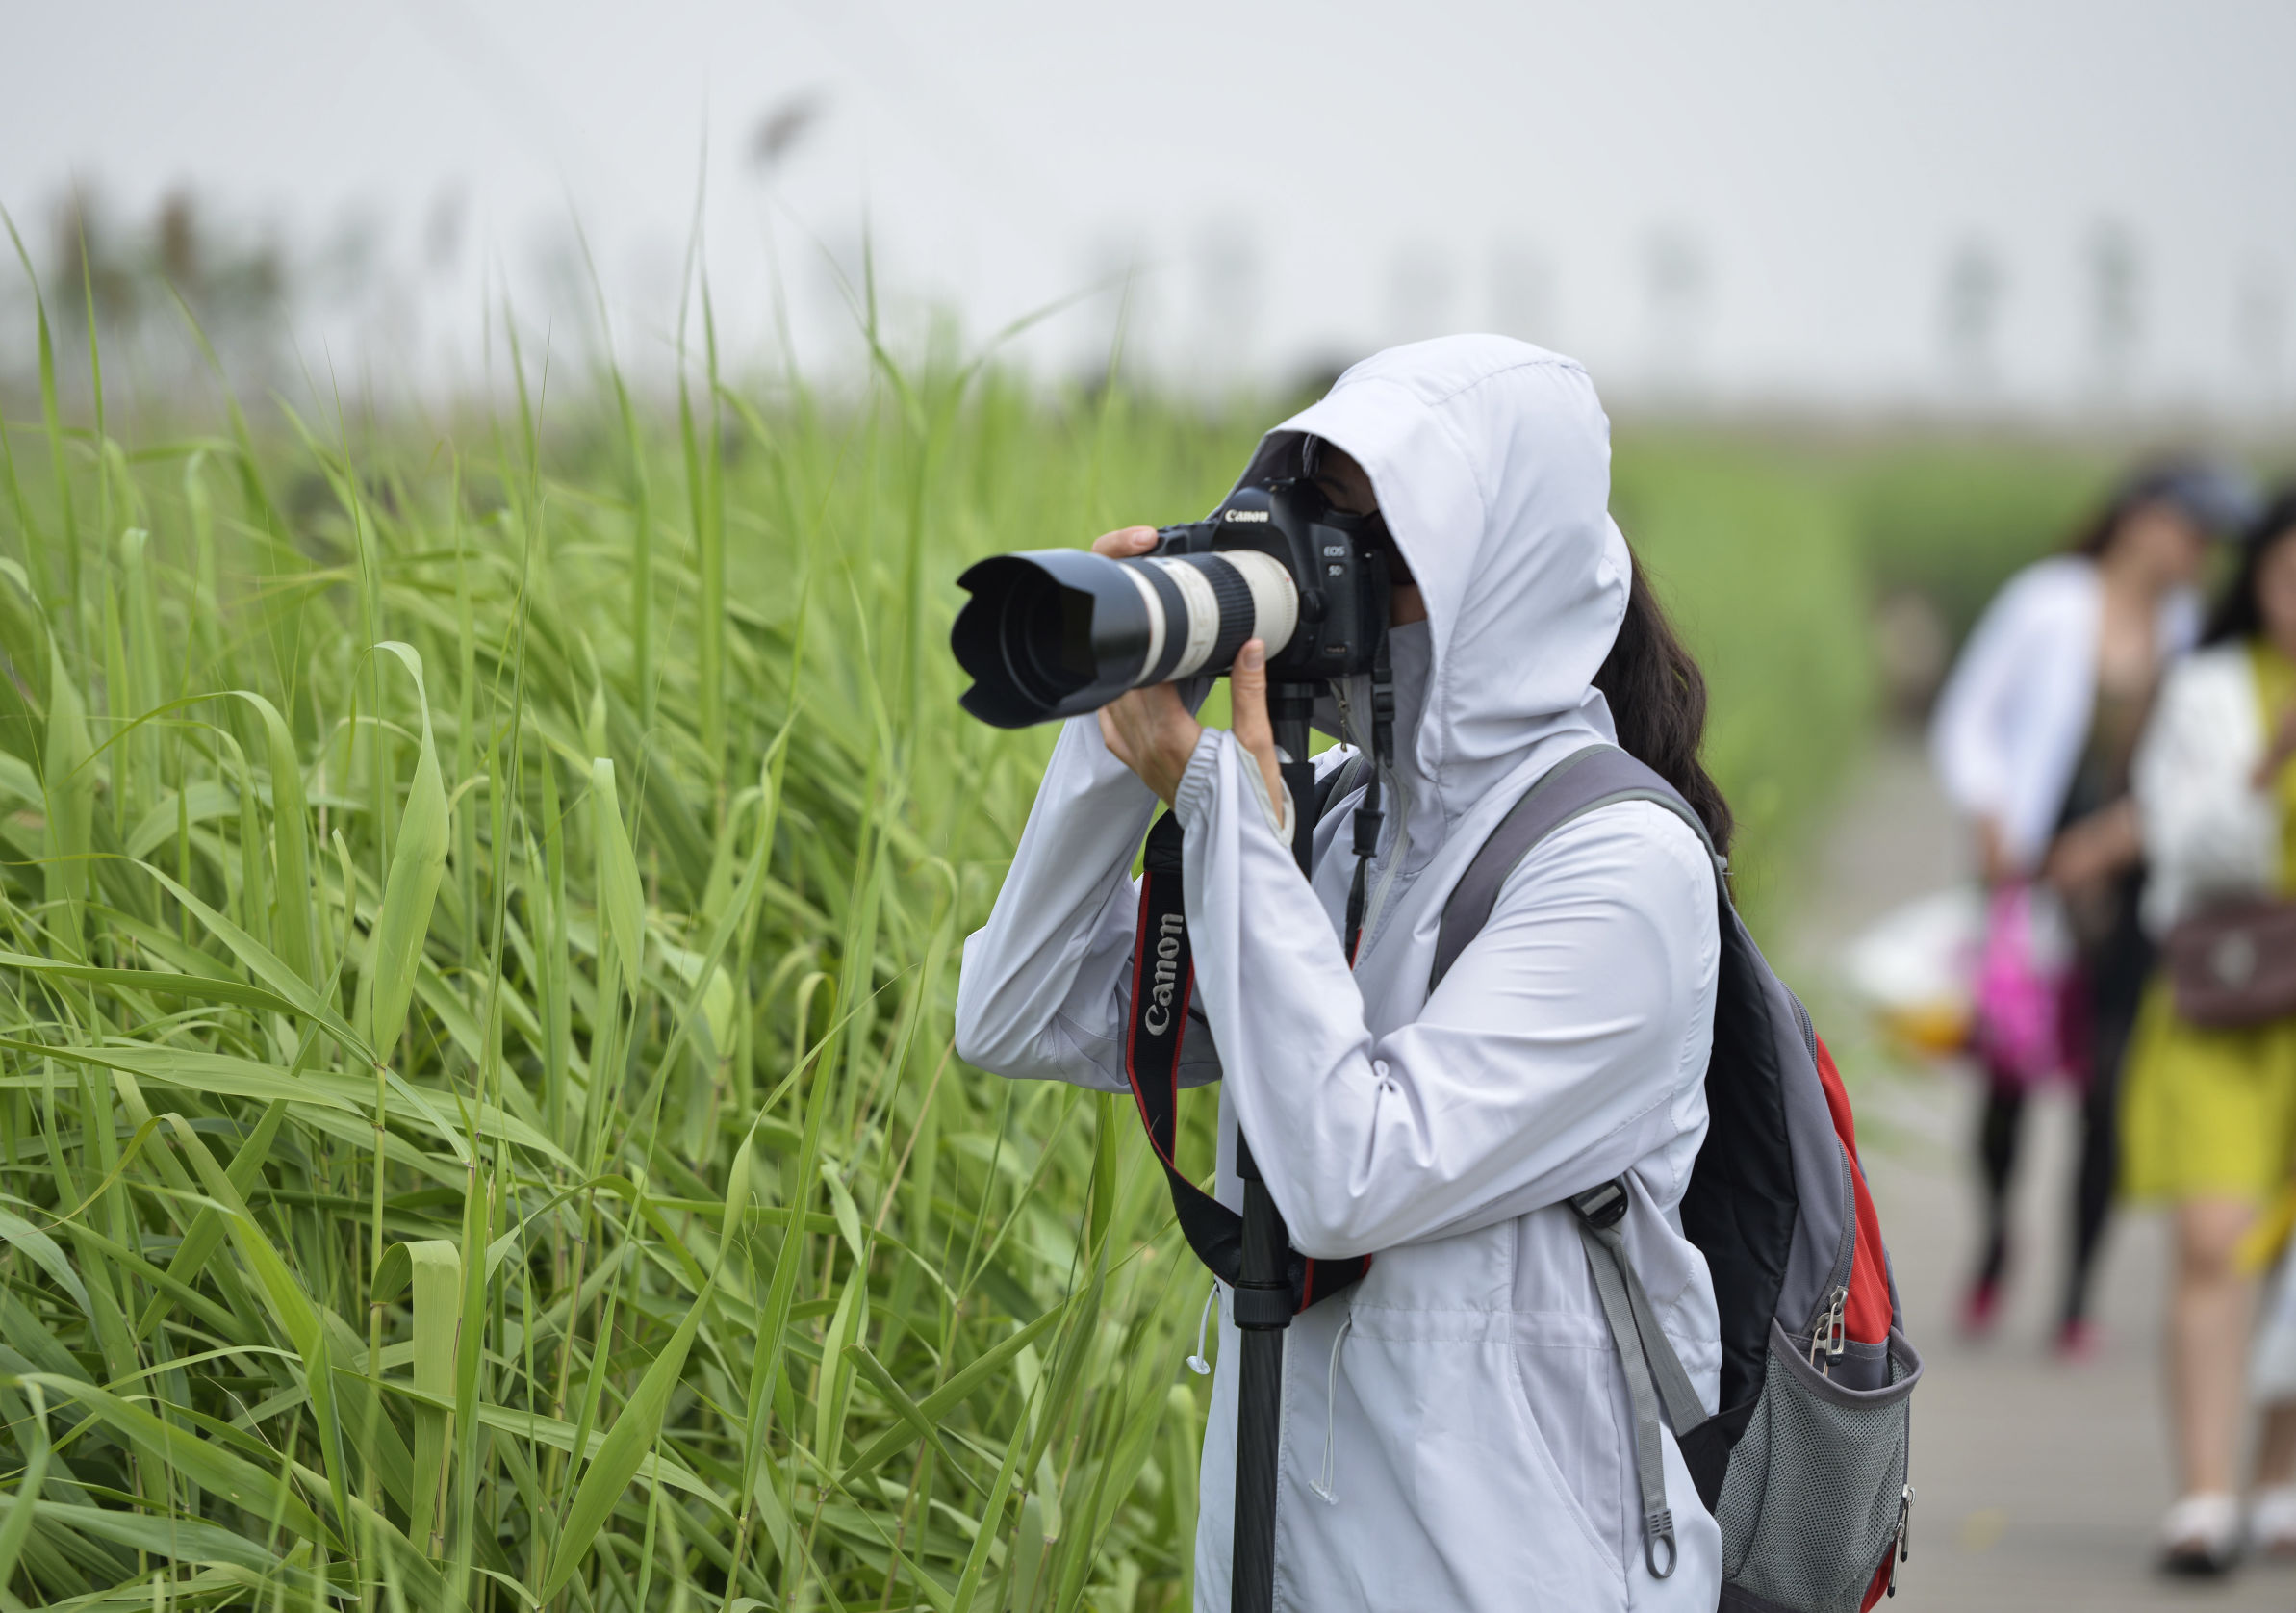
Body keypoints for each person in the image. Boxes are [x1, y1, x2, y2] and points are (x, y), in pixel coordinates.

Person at [955, 337, 1727, 1612]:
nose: (1329, 573)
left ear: (1500, 572)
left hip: (1520, 1578)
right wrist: (1113, 743)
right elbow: (1012, 1012)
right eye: (1314, 513)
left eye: (1382, 540)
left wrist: (1215, 803)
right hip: (1281, 1567)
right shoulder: (1330, 824)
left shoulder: (1618, 871)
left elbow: (1346, 1176)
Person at [1928, 462, 2252, 1357]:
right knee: (2009, 1076)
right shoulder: (2048, 603)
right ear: (2143, 520)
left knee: (2107, 1087)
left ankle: (2076, 1294)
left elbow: (2195, 771)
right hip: (2026, 880)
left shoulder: (2191, 635)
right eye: (2193, 530)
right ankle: (1997, 1240)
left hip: (2127, 890)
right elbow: (1969, 721)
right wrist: (1994, 818)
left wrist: (2113, 840)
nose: (2202, 553)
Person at [2122, 490, 2296, 1574]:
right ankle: (2201, 1489)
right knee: (2213, 1236)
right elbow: (2182, 849)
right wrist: (2266, 764)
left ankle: (2278, 1480)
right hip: (2226, 1006)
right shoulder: (2208, 689)